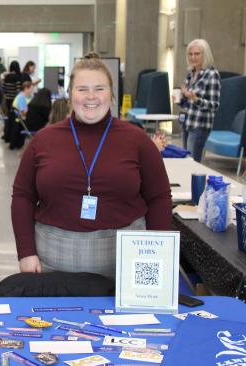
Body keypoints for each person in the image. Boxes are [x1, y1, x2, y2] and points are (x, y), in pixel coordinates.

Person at [11, 54, 172, 276]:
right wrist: (26, 252)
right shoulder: (43, 140)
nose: (91, 97)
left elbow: (159, 197)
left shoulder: (138, 140)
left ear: (112, 95)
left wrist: (157, 253)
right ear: (70, 95)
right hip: (53, 262)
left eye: (99, 88)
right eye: (82, 89)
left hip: (124, 262)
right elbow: (22, 196)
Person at [179, 39, 221, 162]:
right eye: (191, 54)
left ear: (205, 54)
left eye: (197, 54)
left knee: (193, 163)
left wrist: (196, 99)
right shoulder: (191, 74)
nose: (193, 57)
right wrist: (180, 98)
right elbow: (187, 103)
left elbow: (215, 105)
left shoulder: (212, 74)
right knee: (185, 160)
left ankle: (195, 182)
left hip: (200, 126)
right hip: (186, 123)